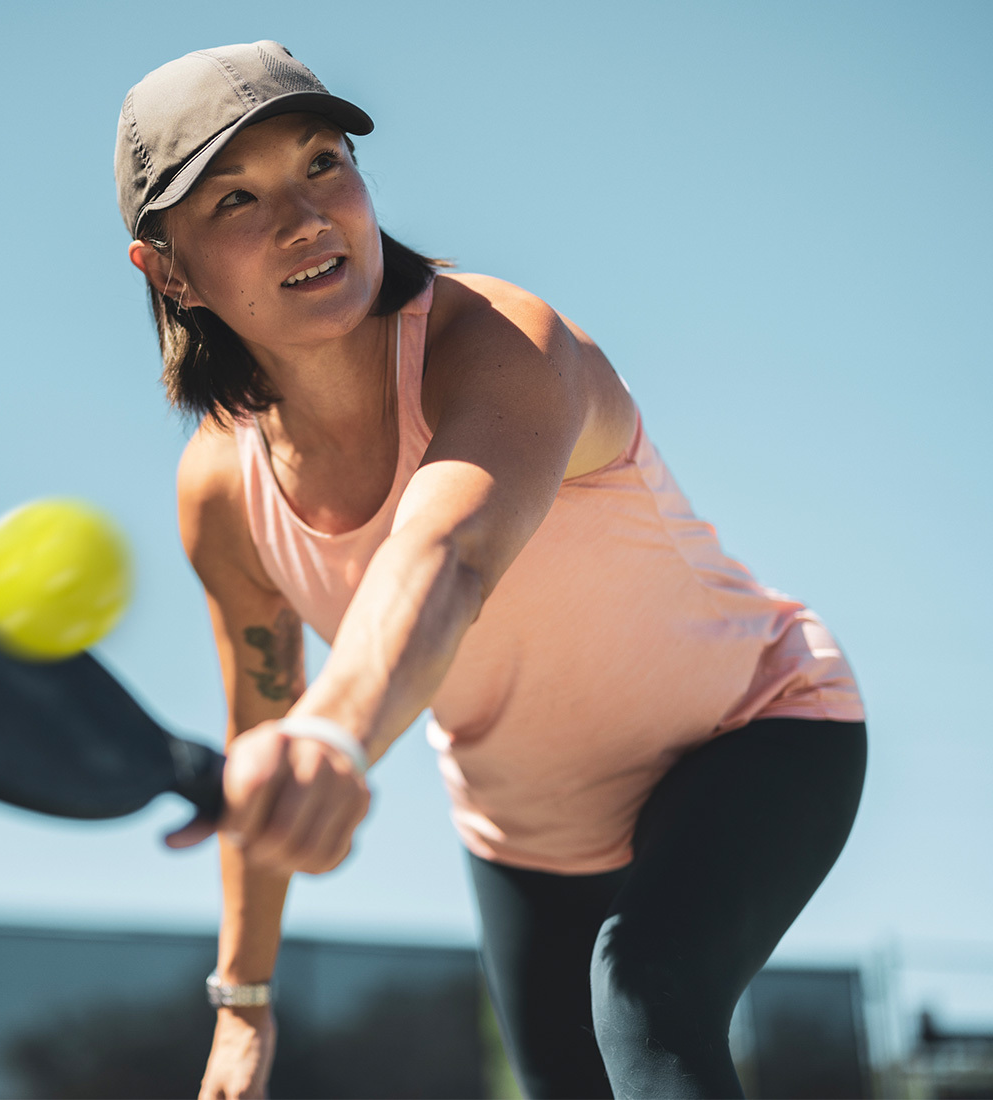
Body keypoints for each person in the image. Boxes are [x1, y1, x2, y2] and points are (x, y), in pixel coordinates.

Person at [114, 41, 867, 1100]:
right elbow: (260, 735)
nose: (305, 218)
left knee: (647, 994)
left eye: (324, 162)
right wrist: (243, 998)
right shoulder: (222, 494)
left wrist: (333, 734)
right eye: (237, 198)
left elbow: (447, 556)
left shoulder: (504, 339)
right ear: (170, 269)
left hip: (755, 729)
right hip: (525, 835)